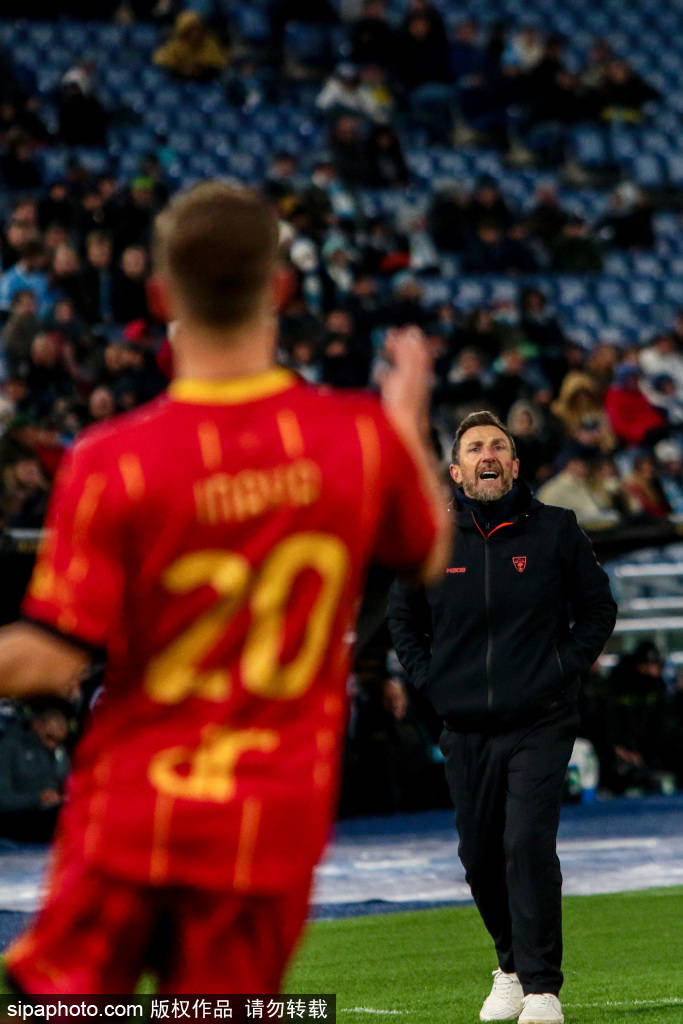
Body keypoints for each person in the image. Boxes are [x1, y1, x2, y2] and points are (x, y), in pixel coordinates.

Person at [0, 181, 450, 995]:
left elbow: (50, 659)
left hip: (136, 806)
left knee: (51, 1003)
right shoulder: (357, 438)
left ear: (158, 296)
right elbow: (425, 551)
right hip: (268, 819)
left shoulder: (113, 460)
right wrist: (407, 421)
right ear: (280, 288)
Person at [388, 409, 616, 1024]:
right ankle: (510, 968)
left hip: (541, 719)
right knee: (479, 856)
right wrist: (433, 683)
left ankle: (542, 989)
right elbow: (402, 619)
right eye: (474, 448)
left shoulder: (557, 530)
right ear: (456, 472)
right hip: (464, 725)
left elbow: (598, 610)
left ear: (514, 465)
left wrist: (559, 669)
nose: (487, 455)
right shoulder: (431, 537)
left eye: (497, 446)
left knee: (526, 843)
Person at [0, 705, 70, 842]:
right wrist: (38, 799)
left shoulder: (59, 753)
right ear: (37, 726)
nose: (53, 745)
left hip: (51, 831)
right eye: (49, 737)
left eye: (58, 741)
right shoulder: (10, 747)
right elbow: (2, 799)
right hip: (15, 833)